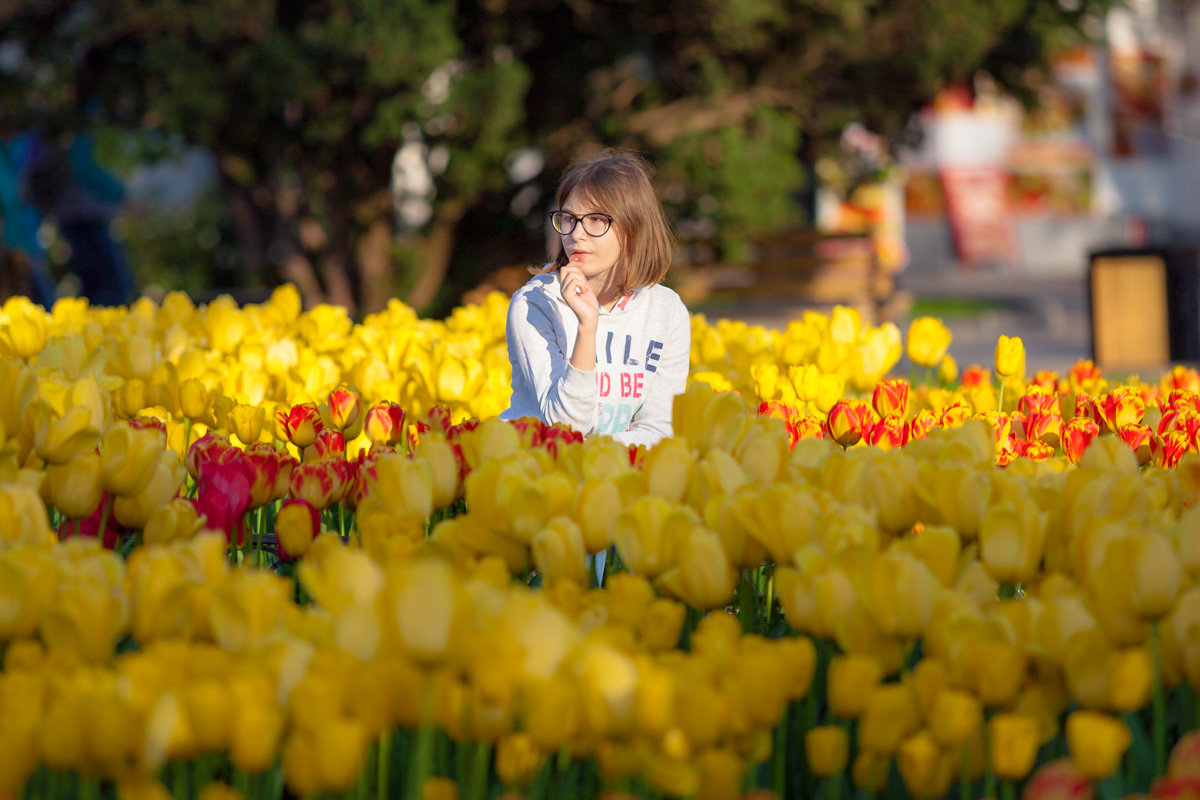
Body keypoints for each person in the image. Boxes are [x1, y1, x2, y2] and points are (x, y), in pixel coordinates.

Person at [500, 149, 691, 448]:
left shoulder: (667, 312)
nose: (576, 234)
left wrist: (600, 458)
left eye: (596, 219)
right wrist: (587, 327)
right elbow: (565, 428)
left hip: (616, 476)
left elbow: (660, 429)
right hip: (535, 474)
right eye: (569, 219)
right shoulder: (535, 304)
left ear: (634, 227)